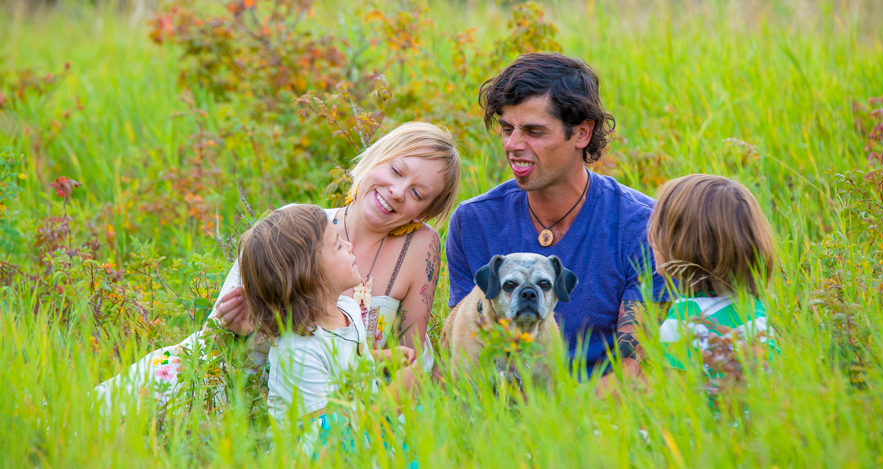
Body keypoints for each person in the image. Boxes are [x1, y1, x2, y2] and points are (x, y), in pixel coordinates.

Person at [95, 122, 460, 411]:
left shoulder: (420, 248)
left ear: (425, 211)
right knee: (103, 416)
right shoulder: (297, 227)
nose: (398, 191)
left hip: (330, 403)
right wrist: (235, 331)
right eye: (396, 171)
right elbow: (215, 340)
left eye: (417, 193)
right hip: (243, 379)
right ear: (377, 158)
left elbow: (410, 361)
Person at [445, 53, 668, 378]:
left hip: (602, 409)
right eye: (507, 128)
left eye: (534, 132)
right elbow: (464, 350)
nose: (513, 144)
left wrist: (559, 421)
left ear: (582, 134)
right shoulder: (473, 222)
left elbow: (636, 367)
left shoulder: (643, 225)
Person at [237, 204, 419, 429]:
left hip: (360, 427)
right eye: (338, 245)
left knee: (422, 416)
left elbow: (345, 358)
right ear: (311, 274)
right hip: (318, 449)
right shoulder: (297, 352)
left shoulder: (346, 308)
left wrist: (383, 357)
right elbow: (330, 432)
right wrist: (394, 394)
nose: (350, 246)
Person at [647, 174, 776, 370]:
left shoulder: (683, 322)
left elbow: (677, 395)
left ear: (685, 244)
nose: (651, 240)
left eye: (658, 230)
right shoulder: (755, 311)